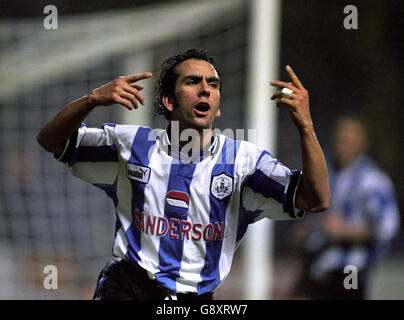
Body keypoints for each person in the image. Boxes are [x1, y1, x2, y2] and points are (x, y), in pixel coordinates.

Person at [37, 48, 329, 300]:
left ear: (216, 107)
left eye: (213, 85)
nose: (205, 89)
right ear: (169, 101)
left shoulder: (244, 163)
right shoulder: (132, 146)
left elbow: (315, 200)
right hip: (128, 289)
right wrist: (91, 100)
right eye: (193, 81)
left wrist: (306, 127)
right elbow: (51, 141)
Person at [292, 116, 400, 300]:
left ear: (363, 144)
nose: (342, 146)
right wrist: (306, 229)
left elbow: (386, 228)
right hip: (317, 265)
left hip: (350, 270)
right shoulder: (325, 173)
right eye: (339, 140)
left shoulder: (372, 181)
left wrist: (345, 231)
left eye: (349, 141)